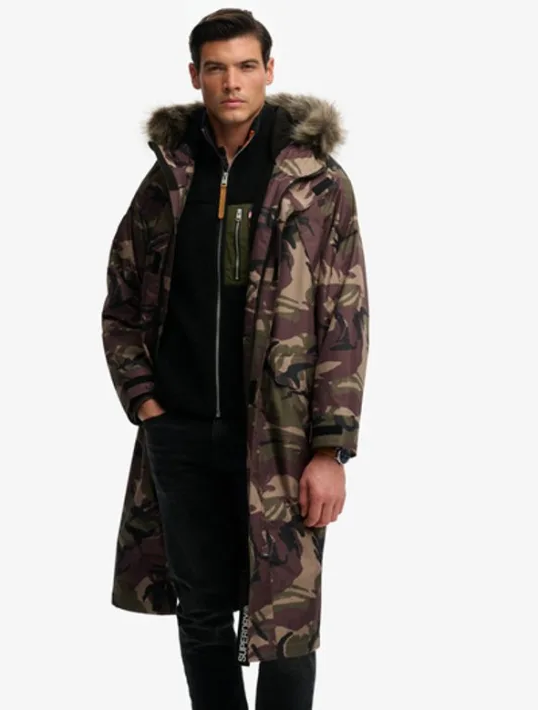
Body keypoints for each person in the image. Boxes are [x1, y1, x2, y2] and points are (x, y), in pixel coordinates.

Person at [101, 8, 370, 710]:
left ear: (269, 71)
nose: (232, 82)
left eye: (246, 66)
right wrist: (147, 404)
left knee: (287, 622)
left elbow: (345, 320)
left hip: (281, 438)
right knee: (201, 614)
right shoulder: (167, 180)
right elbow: (122, 302)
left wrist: (331, 448)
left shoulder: (316, 183)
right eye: (216, 68)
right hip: (182, 434)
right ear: (194, 76)